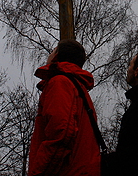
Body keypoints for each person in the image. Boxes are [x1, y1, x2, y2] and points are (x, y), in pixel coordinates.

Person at [28, 39, 100, 176]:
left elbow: (61, 132)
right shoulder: (78, 88)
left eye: (52, 50)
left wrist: (39, 171)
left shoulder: (59, 82)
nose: (49, 55)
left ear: (56, 56)